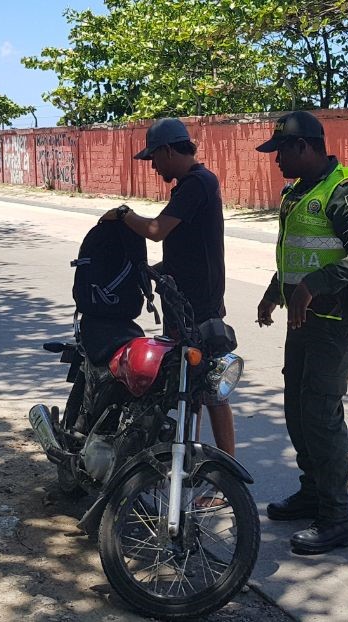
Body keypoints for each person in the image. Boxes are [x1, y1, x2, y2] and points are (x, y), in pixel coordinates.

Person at [254, 111, 348, 555]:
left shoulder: (344, 192)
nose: (276, 161)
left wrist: (312, 287)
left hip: (337, 321)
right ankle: (313, 492)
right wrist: (274, 293)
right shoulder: (296, 193)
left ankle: (336, 517)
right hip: (303, 320)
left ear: (304, 146)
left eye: (281, 151)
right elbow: (294, 253)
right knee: (297, 410)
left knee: (322, 415)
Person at [99, 118, 236, 456]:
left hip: (199, 308)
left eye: (154, 158)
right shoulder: (192, 185)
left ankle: (227, 469)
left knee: (212, 391)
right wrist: (150, 272)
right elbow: (186, 250)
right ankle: (189, 458)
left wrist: (123, 214)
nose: (154, 166)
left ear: (168, 150)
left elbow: (157, 230)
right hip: (184, 304)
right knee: (191, 388)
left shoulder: (198, 183)